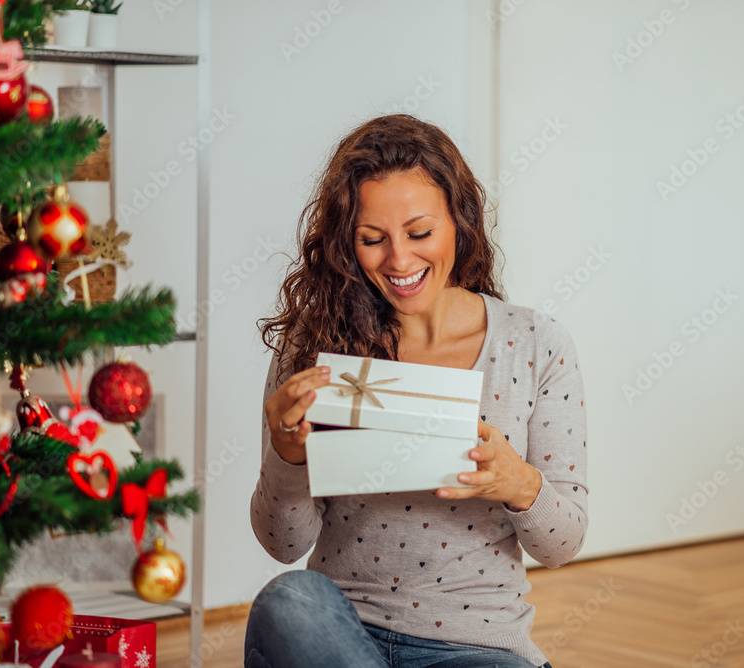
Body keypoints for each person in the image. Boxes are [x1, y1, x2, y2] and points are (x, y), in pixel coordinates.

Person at [246, 114, 587, 668]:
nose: (399, 261)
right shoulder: (318, 349)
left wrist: (519, 482)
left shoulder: (535, 344)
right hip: (341, 635)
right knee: (289, 602)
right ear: (345, 244)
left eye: (420, 233)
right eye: (372, 240)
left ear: (460, 221)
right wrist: (288, 457)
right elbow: (284, 545)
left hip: (474, 647)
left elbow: (563, 543)